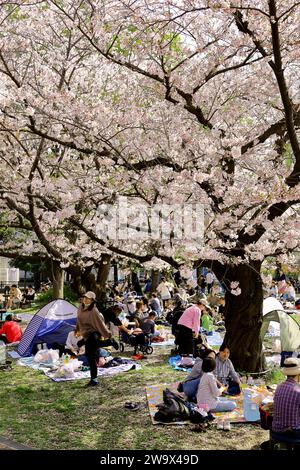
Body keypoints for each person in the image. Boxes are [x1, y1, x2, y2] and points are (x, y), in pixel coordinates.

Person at [76, 291, 117, 387]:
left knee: (92, 345)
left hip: (94, 332)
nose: (85, 299)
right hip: (86, 333)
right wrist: (78, 330)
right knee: (90, 356)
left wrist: (108, 334)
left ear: (92, 300)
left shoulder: (94, 310)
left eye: (88, 298)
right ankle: (94, 380)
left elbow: (100, 323)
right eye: (85, 297)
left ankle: (109, 341)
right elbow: (78, 320)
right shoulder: (80, 308)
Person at [272, 357, 300, 439]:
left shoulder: (279, 387)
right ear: (298, 374)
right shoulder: (298, 391)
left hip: (277, 429)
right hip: (293, 432)